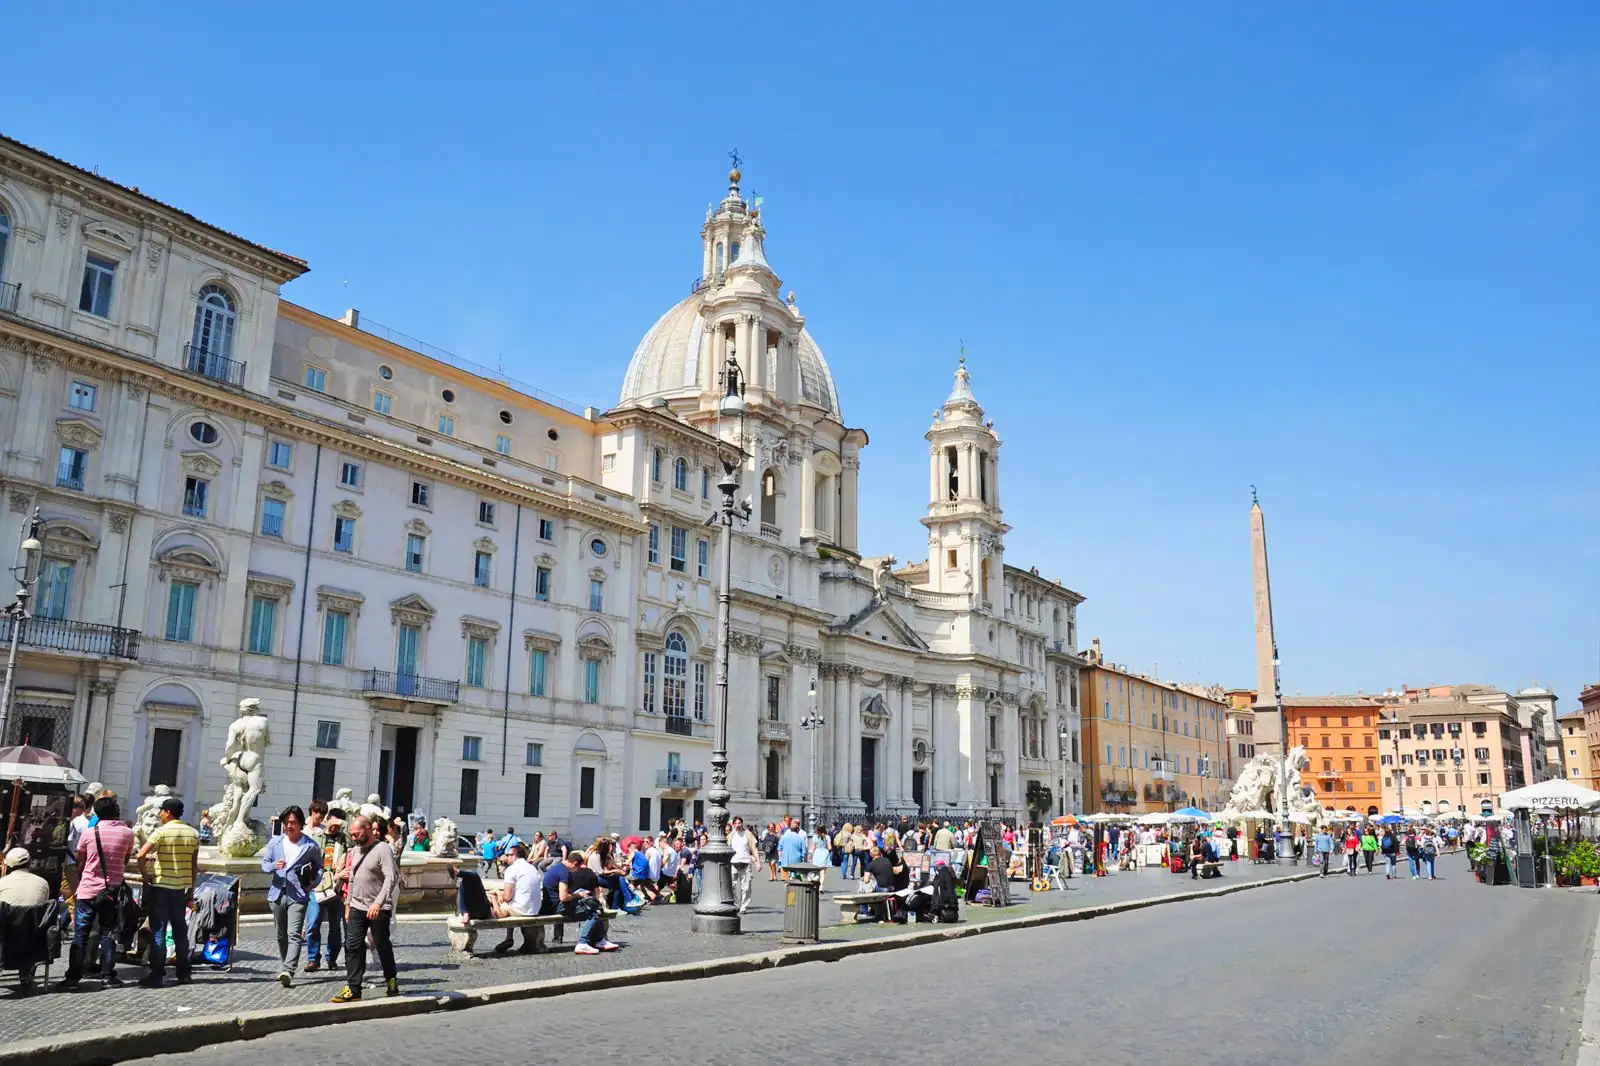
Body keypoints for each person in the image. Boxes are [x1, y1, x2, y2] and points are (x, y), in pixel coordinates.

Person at [62, 795, 134, 988]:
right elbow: (125, 860)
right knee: (108, 933)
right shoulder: (128, 833)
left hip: (87, 890)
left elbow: (81, 861)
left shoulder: (88, 833)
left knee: (81, 934)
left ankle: (73, 977)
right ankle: (107, 975)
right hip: (112, 890)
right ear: (116, 812)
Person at [331, 814, 399, 1002]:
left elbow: (390, 877)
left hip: (378, 907)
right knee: (352, 945)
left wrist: (378, 903)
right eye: (351, 835)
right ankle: (353, 988)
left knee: (381, 944)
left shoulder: (383, 849)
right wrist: (348, 903)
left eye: (356, 834)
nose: (353, 838)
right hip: (357, 906)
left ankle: (391, 978)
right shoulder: (355, 851)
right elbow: (352, 879)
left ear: (368, 828)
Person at [133, 797, 198, 988]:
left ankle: (157, 973)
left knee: (159, 930)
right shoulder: (193, 833)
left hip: (161, 886)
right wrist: (191, 889)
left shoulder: (160, 832)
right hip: (181, 889)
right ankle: (184, 973)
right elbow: (194, 866)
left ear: (168, 812)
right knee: (180, 931)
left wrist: (146, 875)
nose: (160, 814)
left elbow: (140, 854)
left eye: (161, 811)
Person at [261, 804, 322, 987]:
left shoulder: (310, 845)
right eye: (286, 822)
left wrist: (313, 884)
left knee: (294, 934)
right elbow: (264, 865)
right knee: (281, 935)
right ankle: (285, 965)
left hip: (298, 895)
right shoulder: (275, 843)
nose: (289, 826)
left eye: (293, 822)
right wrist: (274, 866)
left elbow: (319, 867)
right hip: (278, 894)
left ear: (301, 823)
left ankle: (289, 969)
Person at [564, 850, 619, 954]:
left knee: (594, 912)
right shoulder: (590, 873)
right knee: (593, 913)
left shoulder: (570, 873)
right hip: (580, 904)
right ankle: (585, 942)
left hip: (573, 902)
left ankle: (599, 940)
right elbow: (596, 891)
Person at [491, 842, 540, 954]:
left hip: (522, 909)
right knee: (510, 904)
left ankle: (509, 938)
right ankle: (510, 938)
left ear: (514, 855)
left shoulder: (512, 870)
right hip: (535, 908)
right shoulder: (532, 868)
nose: (506, 857)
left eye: (508, 855)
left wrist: (497, 894)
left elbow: (507, 897)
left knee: (499, 904)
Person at [729, 815, 759, 914]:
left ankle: (743, 906)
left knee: (746, 887)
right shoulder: (730, 835)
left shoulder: (748, 834)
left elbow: (754, 848)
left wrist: (757, 862)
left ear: (742, 823)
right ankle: (736, 904)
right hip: (733, 863)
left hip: (745, 863)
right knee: (730, 886)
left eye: (739, 823)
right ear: (733, 825)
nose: (738, 825)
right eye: (736, 823)